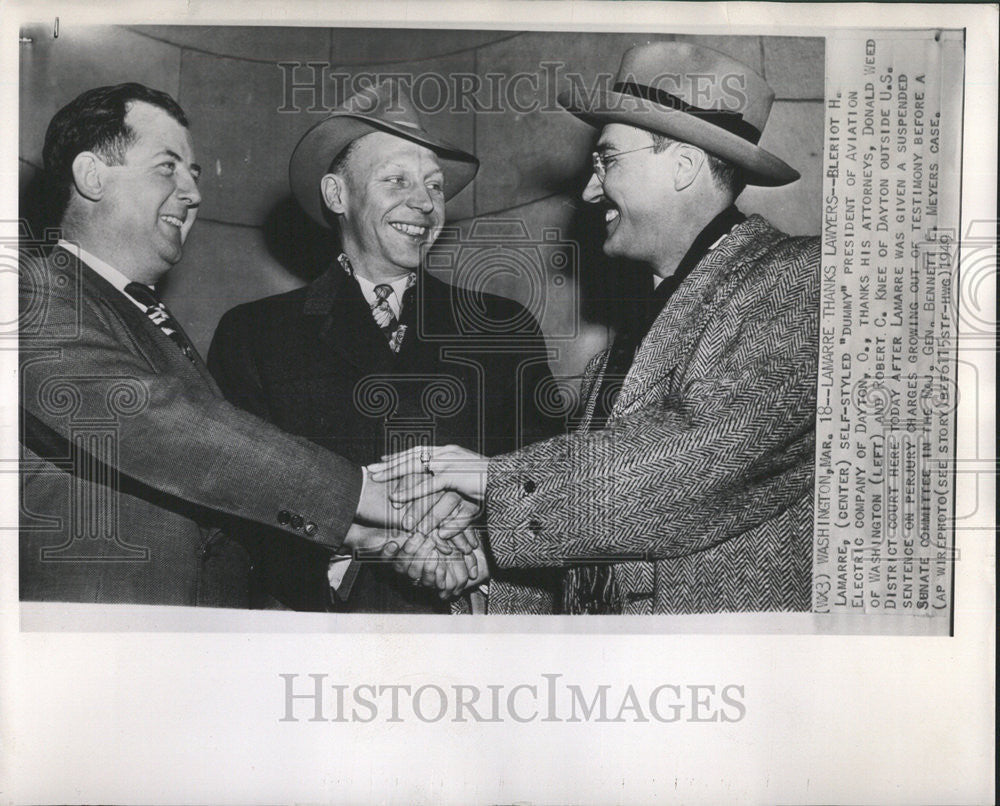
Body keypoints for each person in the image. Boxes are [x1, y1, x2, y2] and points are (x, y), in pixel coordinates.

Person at [371, 42, 821, 615]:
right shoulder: (630, 338)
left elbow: (695, 459)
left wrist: (494, 481)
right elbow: (609, 527)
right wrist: (484, 560)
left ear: (683, 166)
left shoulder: (801, 279)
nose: (589, 189)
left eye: (608, 160)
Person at [18, 82, 469, 608]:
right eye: (168, 167)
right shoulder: (27, 292)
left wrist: (360, 538)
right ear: (92, 176)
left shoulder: (142, 316)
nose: (193, 193)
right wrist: (365, 498)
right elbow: (161, 426)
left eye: (194, 173)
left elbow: (208, 485)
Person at [207, 80, 563, 613]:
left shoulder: (502, 325)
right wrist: (362, 547)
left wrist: (482, 546)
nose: (423, 203)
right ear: (337, 195)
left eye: (435, 186)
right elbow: (236, 502)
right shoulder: (254, 334)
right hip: (324, 632)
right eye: (396, 180)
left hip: (475, 624)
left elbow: (553, 475)